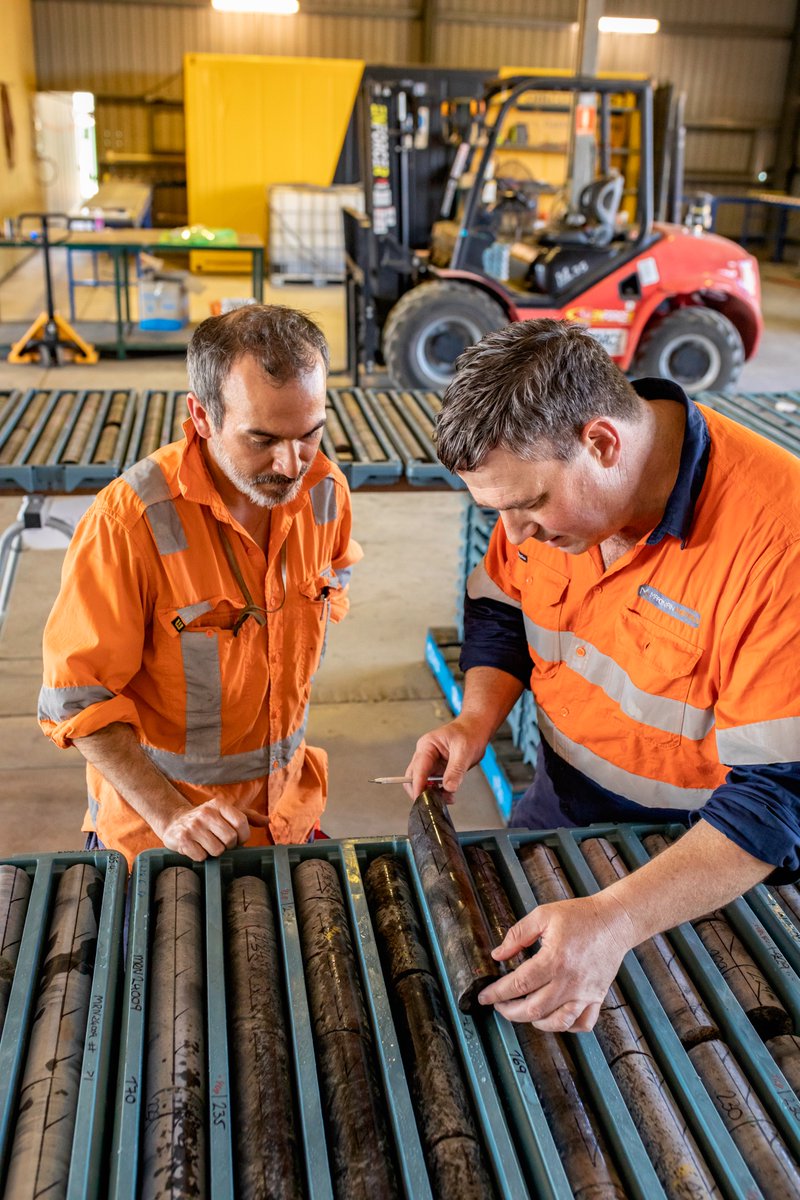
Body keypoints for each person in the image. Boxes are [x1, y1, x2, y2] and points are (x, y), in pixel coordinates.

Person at [407, 318, 800, 1035]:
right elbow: (500, 605)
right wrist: (476, 718)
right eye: (498, 512)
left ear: (602, 442)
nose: (516, 532)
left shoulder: (780, 543)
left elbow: (777, 800)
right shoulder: (538, 492)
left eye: (527, 506)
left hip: (700, 855)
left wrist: (617, 919)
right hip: (558, 805)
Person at [39, 304, 361, 869]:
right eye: (261, 439)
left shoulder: (324, 491)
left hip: (286, 817)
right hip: (161, 839)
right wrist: (169, 813)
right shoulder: (130, 523)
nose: (291, 464)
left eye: (310, 434)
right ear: (202, 415)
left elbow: (330, 578)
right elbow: (76, 696)